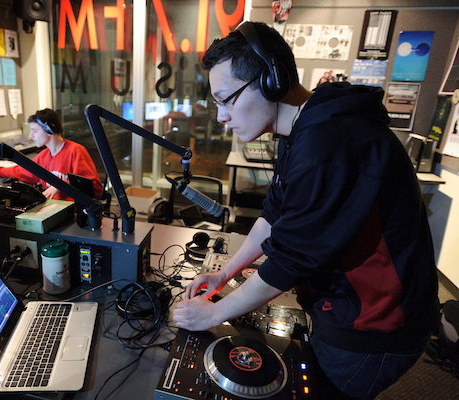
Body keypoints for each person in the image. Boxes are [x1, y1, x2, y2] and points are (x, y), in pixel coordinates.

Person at [172, 21, 439, 400]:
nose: (221, 117)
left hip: (375, 327)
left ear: (271, 81)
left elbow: (290, 260)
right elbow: (275, 213)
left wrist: (215, 314)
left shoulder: (327, 144)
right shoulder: (304, 126)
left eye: (226, 99)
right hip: (348, 309)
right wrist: (226, 273)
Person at [0, 108, 103, 202]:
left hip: (75, 213)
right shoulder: (44, 156)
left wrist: (62, 185)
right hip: (53, 208)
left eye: (35, 131)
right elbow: (21, 171)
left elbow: (95, 188)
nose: (31, 135)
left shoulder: (75, 151)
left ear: (49, 130)